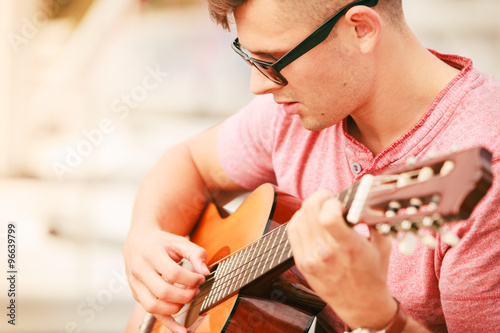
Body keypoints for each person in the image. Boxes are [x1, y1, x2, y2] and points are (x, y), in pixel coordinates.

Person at [123, 0, 500, 332]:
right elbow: (189, 161)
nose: (257, 85)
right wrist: (144, 235)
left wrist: (381, 319)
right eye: (248, 57)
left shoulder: (490, 175)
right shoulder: (299, 110)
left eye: (272, 60)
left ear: (361, 29)